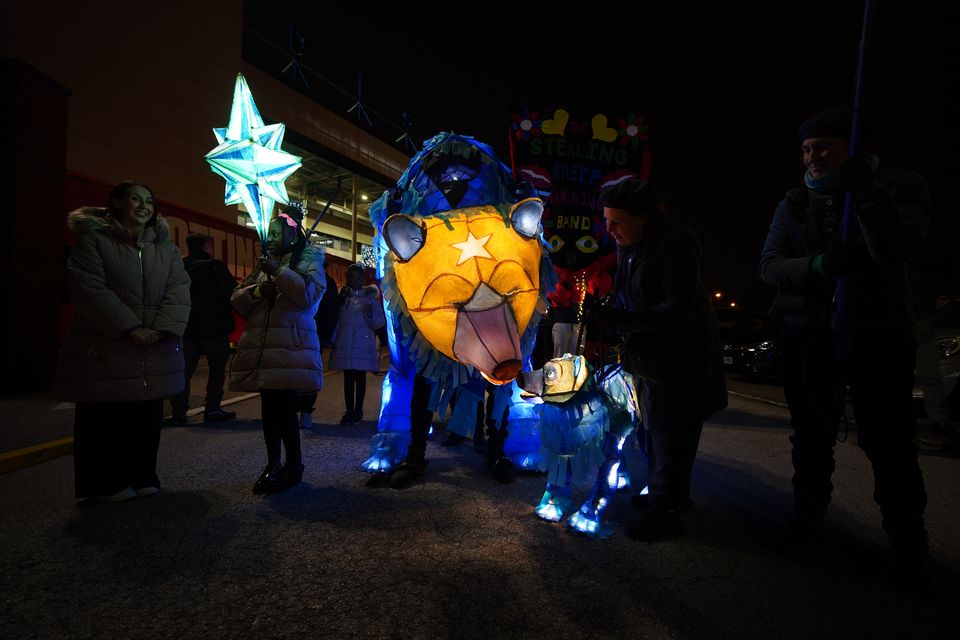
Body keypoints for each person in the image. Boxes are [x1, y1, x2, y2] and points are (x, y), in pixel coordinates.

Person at [759, 106, 932, 593]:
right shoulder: (793, 202)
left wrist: (869, 193)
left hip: (879, 332)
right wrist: (817, 265)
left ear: (852, 147)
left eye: (824, 147)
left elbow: (898, 249)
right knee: (810, 438)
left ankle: (908, 548)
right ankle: (807, 526)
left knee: (890, 443)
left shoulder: (900, 186)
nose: (812, 157)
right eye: (807, 150)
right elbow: (771, 265)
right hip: (808, 334)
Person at [594, 178, 727, 541]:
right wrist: (611, 316)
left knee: (670, 433)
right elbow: (627, 291)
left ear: (643, 217)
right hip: (649, 355)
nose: (609, 230)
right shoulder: (631, 243)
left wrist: (626, 321)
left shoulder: (675, 242)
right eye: (606, 220)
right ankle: (666, 497)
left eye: (616, 221)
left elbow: (678, 308)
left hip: (680, 357)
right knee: (651, 430)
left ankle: (665, 512)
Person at [54, 181, 191, 502]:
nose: (143, 206)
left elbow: (179, 290)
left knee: (145, 415)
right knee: (104, 415)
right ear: (117, 202)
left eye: (148, 200)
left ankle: (142, 474)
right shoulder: (93, 240)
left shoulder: (166, 249)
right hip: (107, 343)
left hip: (153, 344)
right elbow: (88, 289)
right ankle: (103, 483)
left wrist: (162, 328)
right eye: (135, 199)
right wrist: (130, 328)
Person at [229, 208, 326, 494]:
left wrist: (279, 272)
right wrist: (259, 291)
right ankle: (273, 464)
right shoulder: (264, 264)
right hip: (265, 345)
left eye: (275, 234)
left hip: (290, 345)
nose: (269, 239)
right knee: (269, 410)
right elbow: (238, 299)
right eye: (268, 234)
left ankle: (293, 465)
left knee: (283, 409)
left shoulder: (309, 260)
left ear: (292, 235)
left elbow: (308, 297)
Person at [169, 233, 238, 426]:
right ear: (207, 246)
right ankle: (213, 409)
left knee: (184, 370)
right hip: (215, 328)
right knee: (217, 370)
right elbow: (232, 293)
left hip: (188, 328)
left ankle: (179, 412)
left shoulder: (180, 268)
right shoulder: (216, 267)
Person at [328, 263, 386, 425]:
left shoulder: (370, 298)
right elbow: (337, 321)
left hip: (363, 344)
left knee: (360, 377)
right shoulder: (343, 298)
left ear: (363, 279)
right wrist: (333, 339)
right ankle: (349, 411)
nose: (356, 280)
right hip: (346, 342)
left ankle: (358, 410)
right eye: (352, 277)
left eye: (359, 277)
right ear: (348, 279)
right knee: (348, 378)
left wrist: (370, 314)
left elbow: (379, 323)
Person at [296, 265, 341, 429]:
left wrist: (325, 335)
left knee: (301, 373)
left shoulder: (301, 278)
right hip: (313, 335)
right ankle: (304, 411)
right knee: (308, 374)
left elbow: (331, 311)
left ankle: (303, 410)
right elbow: (332, 312)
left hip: (308, 334)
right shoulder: (326, 282)